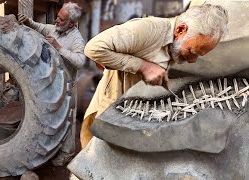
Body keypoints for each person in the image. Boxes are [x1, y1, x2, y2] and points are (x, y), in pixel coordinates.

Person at [80, 4, 229, 147]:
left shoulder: (177, 43)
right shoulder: (149, 30)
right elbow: (93, 48)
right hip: (110, 114)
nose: (192, 60)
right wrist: (144, 67)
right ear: (180, 29)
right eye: (192, 52)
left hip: (133, 119)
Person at [18, 2, 87, 166]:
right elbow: (40, 27)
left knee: (68, 120)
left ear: (71, 23)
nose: (56, 20)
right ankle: (53, 148)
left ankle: (67, 153)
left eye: (61, 19)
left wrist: (59, 47)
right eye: (57, 16)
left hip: (68, 86)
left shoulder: (76, 38)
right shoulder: (55, 29)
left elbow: (81, 61)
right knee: (52, 119)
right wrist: (28, 22)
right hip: (51, 84)